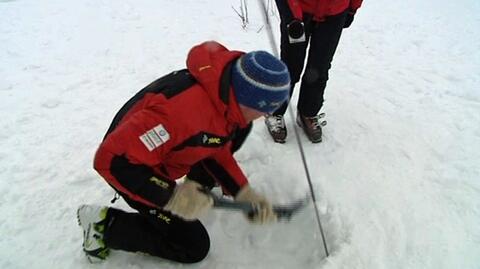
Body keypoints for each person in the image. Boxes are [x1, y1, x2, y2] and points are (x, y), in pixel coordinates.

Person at [76, 41, 291, 264]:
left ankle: (194, 191)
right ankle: (104, 227)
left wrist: (242, 192)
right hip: (134, 168)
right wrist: (171, 196)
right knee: (193, 245)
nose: (265, 116)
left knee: (240, 131)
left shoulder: (227, 101)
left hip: (160, 151)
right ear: (248, 98)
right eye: (266, 110)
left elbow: (215, 148)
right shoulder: (179, 114)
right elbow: (112, 161)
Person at [265, 0, 363, 143]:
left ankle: (308, 113)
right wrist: (292, 15)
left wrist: (353, 7)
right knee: (291, 66)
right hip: (298, 11)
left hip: (334, 13)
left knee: (319, 68)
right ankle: (275, 112)